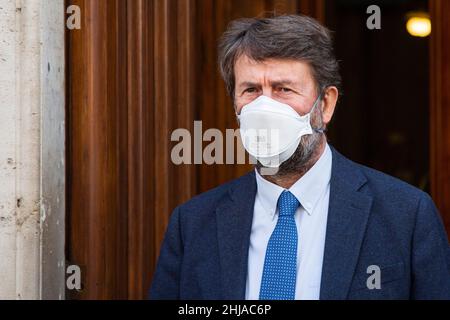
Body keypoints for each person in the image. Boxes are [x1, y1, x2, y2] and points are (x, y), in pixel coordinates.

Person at [150, 14, 450, 300]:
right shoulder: (191, 225)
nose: (265, 108)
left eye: (283, 89)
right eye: (251, 90)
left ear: (326, 104)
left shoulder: (406, 216)